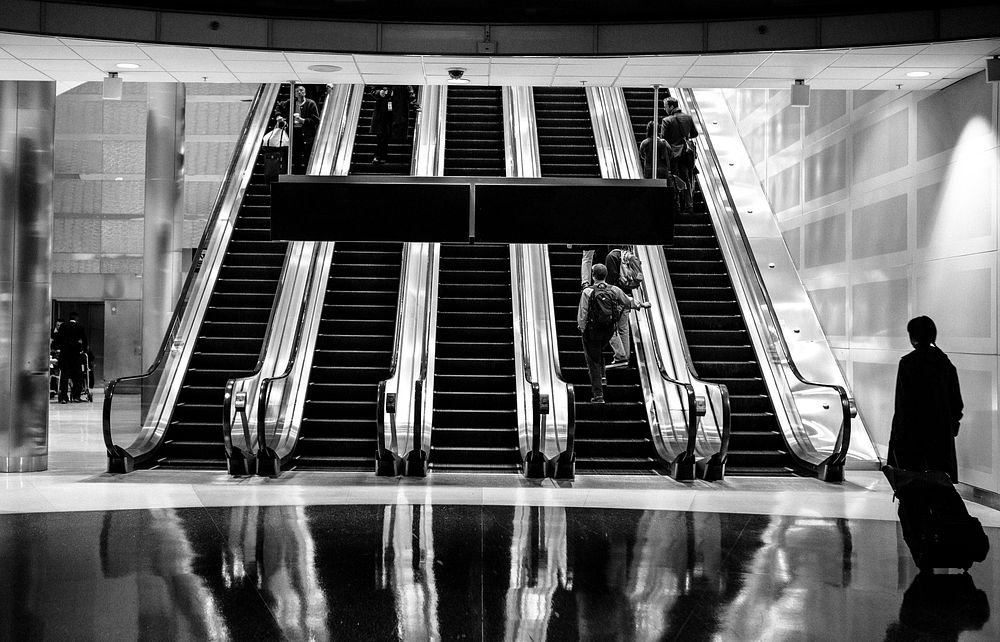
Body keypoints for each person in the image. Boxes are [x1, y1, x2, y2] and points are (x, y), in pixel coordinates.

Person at [887, 316, 964, 482]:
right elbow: (956, 402)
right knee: (938, 487)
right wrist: (952, 427)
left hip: (912, 439)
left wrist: (897, 439)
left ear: (913, 337)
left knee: (914, 488)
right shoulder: (945, 363)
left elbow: (903, 405)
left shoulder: (908, 364)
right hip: (940, 437)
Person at [577, 264, 650, 403]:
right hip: (609, 331)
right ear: (605, 275)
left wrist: (582, 328)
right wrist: (641, 305)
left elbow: (583, 313)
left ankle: (598, 395)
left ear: (593, 275)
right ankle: (603, 377)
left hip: (593, 331)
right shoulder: (614, 289)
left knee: (593, 361)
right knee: (598, 350)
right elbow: (627, 301)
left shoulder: (587, 291)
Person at [660, 96, 699, 209]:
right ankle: (689, 204)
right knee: (686, 178)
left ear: (672, 106)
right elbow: (695, 133)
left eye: (665, 106)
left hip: (673, 154)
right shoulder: (688, 117)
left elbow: (663, 139)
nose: (664, 109)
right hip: (686, 153)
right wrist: (685, 138)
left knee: (675, 178)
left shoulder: (667, 120)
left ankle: (677, 205)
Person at [369, 85, 418, 165]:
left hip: (397, 110)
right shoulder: (383, 78)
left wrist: (414, 104)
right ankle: (379, 156)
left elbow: (410, 92)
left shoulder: (403, 81)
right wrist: (380, 93)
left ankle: (382, 156)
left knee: (389, 132)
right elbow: (373, 90)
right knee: (382, 134)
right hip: (383, 111)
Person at [276, 85, 319, 174]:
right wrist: (278, 116)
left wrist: (303, 120)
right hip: (294, 133)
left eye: (301, 91)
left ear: (305, 93)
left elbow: (316, 120)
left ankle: (308, 174)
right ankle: (296, 174)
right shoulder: (290, 102)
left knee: (307, 155)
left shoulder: (311, 103)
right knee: (296, 155)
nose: (299, 92)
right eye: (297, 91)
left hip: (307, 134)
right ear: (294, 94)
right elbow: (279, 106)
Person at [604, 247, 635, 369]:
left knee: (609, 327)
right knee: (623, 329)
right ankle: (625, 359)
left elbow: (610, 280)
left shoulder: (612, 257)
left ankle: (620, 357)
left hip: (616, 297)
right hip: (627, 296)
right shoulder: (628, 255)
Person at [54, 311, 88, 403]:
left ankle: (64, 397)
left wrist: (58, 348)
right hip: (75, 354)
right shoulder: (80, 327)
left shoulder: (63, 326)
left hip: (65, 354)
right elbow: (84, 340)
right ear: (77, 318)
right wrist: (84, 350)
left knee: (64, 376)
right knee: (77, 376)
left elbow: (58, 339)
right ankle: (76, 396)